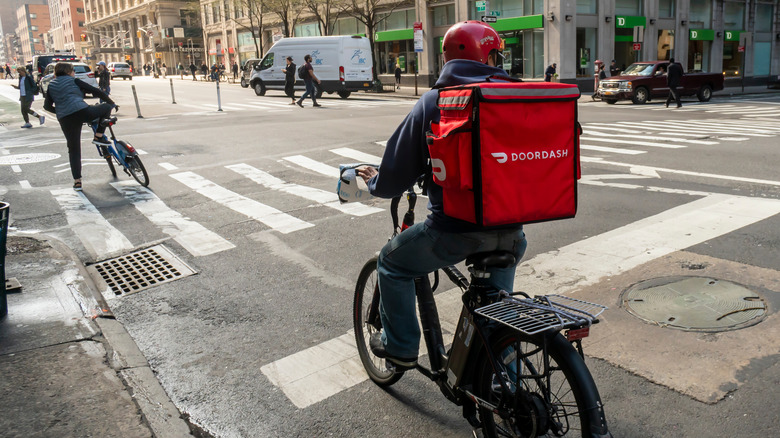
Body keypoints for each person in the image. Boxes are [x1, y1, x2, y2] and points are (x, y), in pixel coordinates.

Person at [355, 20, 527, 370]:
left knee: (392, 263)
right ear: (489, 56)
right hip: (512, 232)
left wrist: (374, 181)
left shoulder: (437, 101)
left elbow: (393, 177)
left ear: (449, 56)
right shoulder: (516, 97)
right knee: (497, 314)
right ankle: (508, 389)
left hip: (454, 233)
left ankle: (400, 345)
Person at [43, 62, 116, 191]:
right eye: (73, 71)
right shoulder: (74, 81)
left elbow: (47, 106)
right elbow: (96, 91)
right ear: (69, 72)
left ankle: (77, 182)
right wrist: (112, 103)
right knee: (106, 107)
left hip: (65, 119)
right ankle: (98, 136)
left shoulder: (51, 85)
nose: (74, 73)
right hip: (82, 111)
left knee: (74, 149)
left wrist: (61, 111)